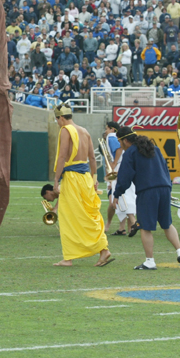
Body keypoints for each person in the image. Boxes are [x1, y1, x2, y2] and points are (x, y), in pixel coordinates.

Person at [113, 127, 180, 270]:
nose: (120, 145)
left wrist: (117, 193)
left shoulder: (130, 152)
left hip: (147, 191)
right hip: (164, 187)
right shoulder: (154, 148)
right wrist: (167, 188)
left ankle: (150, 261)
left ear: (125, 140)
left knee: (145, 227)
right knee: (167, 224)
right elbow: (165, 169)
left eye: (119, 141)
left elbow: (124, 177)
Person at [49, 104, 113, 267]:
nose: (57, 123)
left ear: (61, 118)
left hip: (72, 178)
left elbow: (62, 156)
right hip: (86, 177)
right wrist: (94, 177)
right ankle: (102, 249)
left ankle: (69, 258)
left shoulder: (65, 130)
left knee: (68, 216)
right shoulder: (84, 131)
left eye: (57, 119)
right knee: (87, 214)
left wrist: (56, 180)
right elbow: (93, 158)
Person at [103, 121, 136, 236]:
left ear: (112, 129)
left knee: (118, 198)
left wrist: (114, 163)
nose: (106, 131)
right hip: (121, 167)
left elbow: (118, 149)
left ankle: (132, 222)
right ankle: (124, 227)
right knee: (123, 197)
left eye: (107, 128)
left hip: (118, 168)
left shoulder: (111, 137)